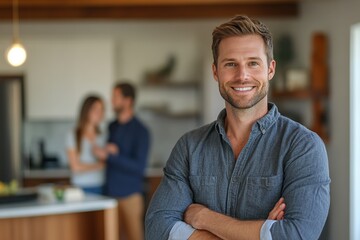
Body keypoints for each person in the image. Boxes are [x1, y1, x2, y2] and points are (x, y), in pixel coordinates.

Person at [145, 15, 330, 240]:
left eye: (253, 63)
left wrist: (204, 218)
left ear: (270, 69)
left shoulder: (303, 146)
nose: (242, 75)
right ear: (216, 72)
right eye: (230, 64)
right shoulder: (189, 147)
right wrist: (261, 233)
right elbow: (157, 228)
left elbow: (297, 235)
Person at [94, 82, 150, 240]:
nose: (111, 100)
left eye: (115, 97)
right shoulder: (112, 126)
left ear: (128, 101)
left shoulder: (141, 131)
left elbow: (139, 167)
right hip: (109, 195)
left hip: (130, 196)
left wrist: (111, 156)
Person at [66, 95, 105, 195]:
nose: (99, 113)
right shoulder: (73, 135)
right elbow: (75, 167)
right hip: (80, 187)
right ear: (86, 110)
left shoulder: (103, 136)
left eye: (101, 110)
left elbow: (106, 160)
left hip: (100, 186)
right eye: (95, 109)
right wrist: (98, 165)